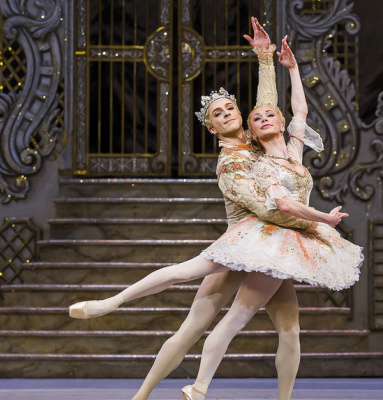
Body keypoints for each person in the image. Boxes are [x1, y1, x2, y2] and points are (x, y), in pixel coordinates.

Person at [70, 18, 345, 400]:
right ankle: (124, 342)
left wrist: (265, 57)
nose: (228, 113)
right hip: (246, 243)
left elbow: (271, 107)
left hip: (276, 245)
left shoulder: (258, 141)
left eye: (231, 107)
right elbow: (269, 209)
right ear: (212, 128)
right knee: (192, 322)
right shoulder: (231, 163)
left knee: (290, 329)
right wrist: (313, 223)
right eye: (218, 113)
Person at [178, 36, 362, 400]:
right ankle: (198, 387)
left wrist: (291, 69)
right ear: (253, 131)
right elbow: (284, 207)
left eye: (269, 115)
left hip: (291, 242)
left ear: (280, 122)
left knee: (290, 330)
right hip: (274, 239)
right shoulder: (259, 164)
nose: (263, 118)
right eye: (257, 118)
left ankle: (279, 397)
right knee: (237, 317)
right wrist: (321, 221)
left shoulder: (293, 149)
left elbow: (300, 111)